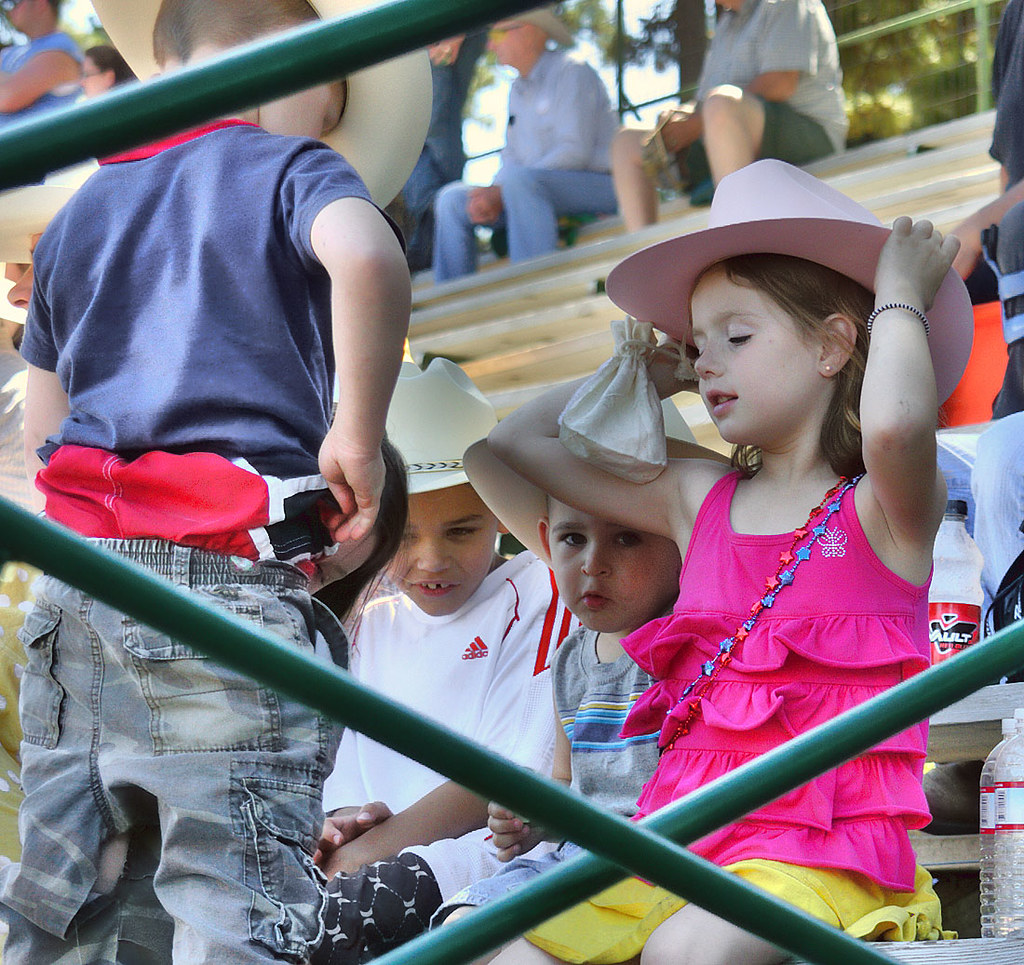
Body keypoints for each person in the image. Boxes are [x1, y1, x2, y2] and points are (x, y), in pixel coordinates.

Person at [0, 0, 429, 960]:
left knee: (71, 894)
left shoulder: (80, 213)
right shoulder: (288, 167)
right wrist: (358, 434)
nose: (328, 130)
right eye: (331, 104)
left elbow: (42, 428)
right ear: (295, 71)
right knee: (235, 889)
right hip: (225, 584)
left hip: (81, 593)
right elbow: (368, 256)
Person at [479, 160, 971, 963]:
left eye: (735, 338)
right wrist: (642, 374)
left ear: (833, 345)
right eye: (697, 344)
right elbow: (515, 442)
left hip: (823, 852)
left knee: (688, 952)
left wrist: (898, 295)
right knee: (503, 948)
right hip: (680, 835)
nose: (707, 363)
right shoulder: (695, 495)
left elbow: (895, 428)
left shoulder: (883, 507)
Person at [313, 358, 577, 965]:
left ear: (502, 514)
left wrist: (361, 855)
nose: (431, 560)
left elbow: (508, 777)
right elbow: (341, 783)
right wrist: (345, 824)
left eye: (461, 531)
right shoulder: (364, 616)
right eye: (405, 536)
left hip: (479, 860)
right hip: (363, 860)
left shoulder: (541, 593)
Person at [428, 421, 724, 952]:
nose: (592, 564)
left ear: (685, 542)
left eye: (627, 537)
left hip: (658, 862)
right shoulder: (570, 660)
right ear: (546, 541)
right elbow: (569, 783)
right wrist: (536, 820)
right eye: (573, 538)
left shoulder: (694, 644)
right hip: (578, 858)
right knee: (460, 932)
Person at [612, 0, 847, 230]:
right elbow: (705, 102)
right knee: (626, 142)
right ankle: (645, 250)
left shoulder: (786, 3)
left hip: (811, 135)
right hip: (730, 132)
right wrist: (677, 119)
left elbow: (780, 83)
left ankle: (736, 239)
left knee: (720, 106)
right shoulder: (725, 26)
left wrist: (698, 121)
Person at [432, 6, 618, 282]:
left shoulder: (572, 70)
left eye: (497, 34)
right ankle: (451, 298)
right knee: (452, 199)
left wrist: (502, 190)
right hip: (530, 192)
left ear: (529, 31)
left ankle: (533, 288)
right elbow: (512, 158)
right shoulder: (517, 89)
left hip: (600, 187)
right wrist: (490, 194)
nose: (490, 45)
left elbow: (575, 152)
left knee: (519, 182)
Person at [400, 29, 487, 273]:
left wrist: (454, 32)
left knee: (437, 126)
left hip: (444, 31)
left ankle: (439, 230)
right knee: (412, 139)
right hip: (419, 37)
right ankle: (433, 226)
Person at [0, 0, 81, 127]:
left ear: (40, 3)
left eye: (15, 3)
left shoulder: (60, 48)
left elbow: (6, 97)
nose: (10, 10)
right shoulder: (11, 52)